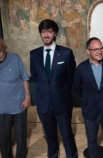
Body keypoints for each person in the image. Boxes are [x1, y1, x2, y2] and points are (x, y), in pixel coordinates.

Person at [29, 19, 78, 158]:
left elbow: (71, 78)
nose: (46, 35)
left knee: (67, 134)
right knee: (50, 136)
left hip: (62, 102)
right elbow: (35, 76)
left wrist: (59, 91)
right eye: (43, 32)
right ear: (40, 34)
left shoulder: (66, 53)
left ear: (55, 33)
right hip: (44, 103)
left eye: (49, 31)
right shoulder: (34, 54)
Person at [0, 37, 31, 158]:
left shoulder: (15, 58)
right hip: (1, 108)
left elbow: (25, 78)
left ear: (6, 48)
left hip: (19, 106)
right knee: (4, 138)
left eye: (0, 51)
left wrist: (27, 96)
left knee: (20, 137)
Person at [73, 37, 103, 158]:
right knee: (92, 140)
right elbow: (77, 87)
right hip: (90, 111)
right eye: (96, 49)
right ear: (88, 51)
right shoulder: (81, 68)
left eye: (101, 48)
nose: (99, 51)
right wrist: (89, 97)